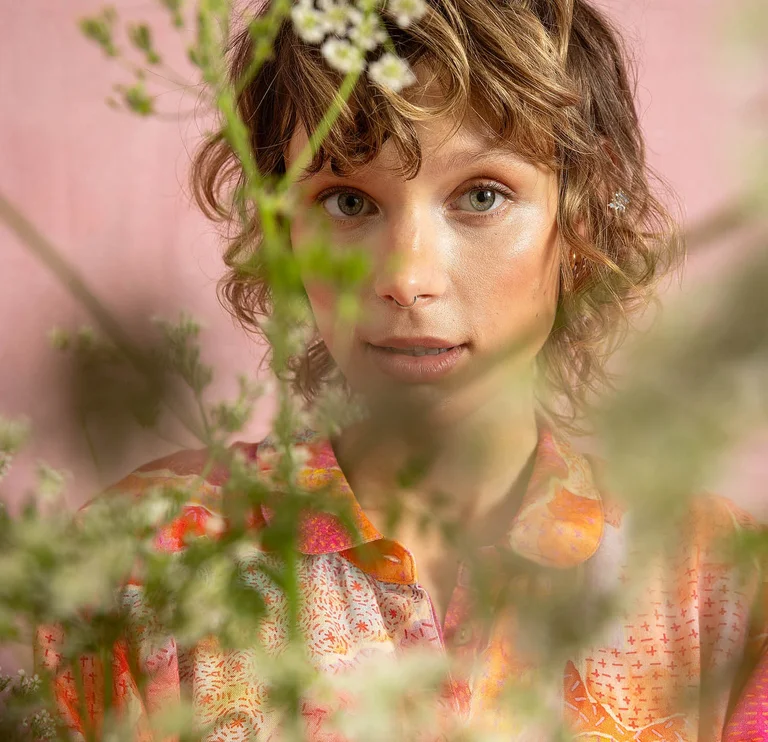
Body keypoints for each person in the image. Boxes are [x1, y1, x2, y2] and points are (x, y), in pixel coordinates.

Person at [37, 0, 767, 740]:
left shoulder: (714, 585)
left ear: (579, 220)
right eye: (348, 201)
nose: (407, 278)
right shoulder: (144, 560)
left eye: (482, 195)